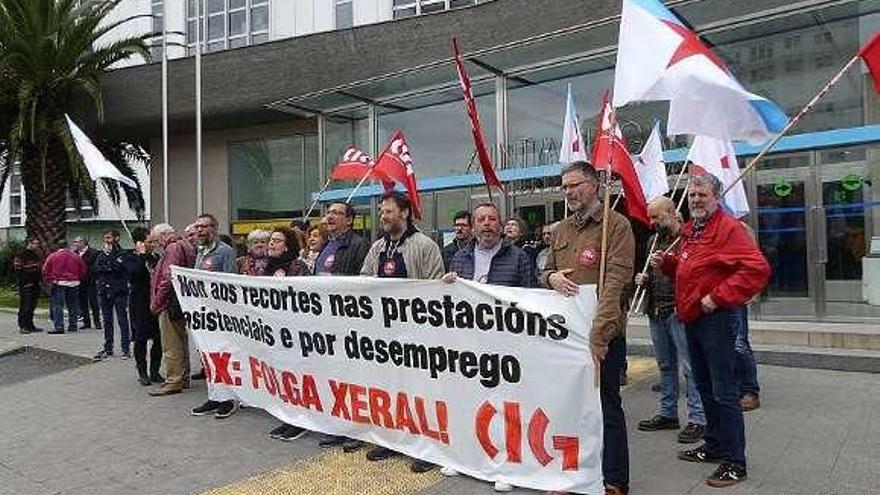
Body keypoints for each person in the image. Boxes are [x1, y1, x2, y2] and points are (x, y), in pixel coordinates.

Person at [651, 173, 770, 488]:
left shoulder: (728, 229)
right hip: (692, 319)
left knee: (723, 390)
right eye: (691, 195)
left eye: (702, 194)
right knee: (703, 385)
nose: (695, 200)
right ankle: (715, 445)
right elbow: (696, 270)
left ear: (717, 196)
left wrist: (717, 297)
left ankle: (735, 462)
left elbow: (756, 269)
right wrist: (669, 264)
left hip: (716, 321)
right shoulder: (692, 230)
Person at [541, 161, 634, 495]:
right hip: (568, 336)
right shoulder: (561, 229)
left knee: (606, 406)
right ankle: (573, 474)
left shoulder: (617, 226)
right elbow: (546, 271)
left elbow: (616, 284)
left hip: (602, 337)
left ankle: (614, 479)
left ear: (594, 185)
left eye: (575, 185)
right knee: (570, 406)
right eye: (564, 187)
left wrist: (601, 334)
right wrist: (550, 277)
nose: (569, 192)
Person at [440, 202, 534, 491]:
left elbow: (530, 300)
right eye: (481, 219)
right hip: (469, 346)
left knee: (505, 408)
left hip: (505, 347)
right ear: (474, 224)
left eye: (492, 219)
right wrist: (446, 285)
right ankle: (463, 457)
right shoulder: (459, 258)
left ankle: (506, 466)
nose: (487, 224)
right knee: (467, 402)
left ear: (501, 223)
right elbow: (450, 303)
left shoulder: (518, 257)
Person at [360, 192, 444, 473]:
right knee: (390, 390)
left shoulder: (425, 246)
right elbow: (364, 285)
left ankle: (427, 447)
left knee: (421, 394)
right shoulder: (377, 248)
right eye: (382, 212)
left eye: (388, 211)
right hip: (385, 337)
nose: (383, 216)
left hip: (417, 337)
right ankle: (391, 440)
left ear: (405, 213)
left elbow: (435, 292)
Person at [635, 197, 706, 444]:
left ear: (672, 213)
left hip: (679, 310)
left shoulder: (688, 239)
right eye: (650, 218)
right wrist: (644, 279)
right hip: (656, 309)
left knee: (690, 367)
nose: (652, 222)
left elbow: (694, 275)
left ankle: (698, 419)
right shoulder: (652, 241)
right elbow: (652, 274)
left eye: (657, 217)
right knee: (665, 365)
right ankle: (668, 413)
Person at [313, 201, 371, 452]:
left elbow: (360, 285)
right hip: (325, 325)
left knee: (351, 379)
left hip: (347, 325)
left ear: (350, 220)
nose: (330, 217)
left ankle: (354, 430)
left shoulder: (358, 245)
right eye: (329, 213)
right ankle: (336, 426)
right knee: (332, 378)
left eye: (337, 213)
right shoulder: (327, 245)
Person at [189, 213, 240, 419]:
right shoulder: (200, 251)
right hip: (203, 314)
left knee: (223, 356)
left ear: (214, 228)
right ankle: (214, 395)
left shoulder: (225, 251)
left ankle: (228, 398)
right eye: (197, 226)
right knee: (208, 357)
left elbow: (230, 280)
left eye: (204, 226)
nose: (200, 230)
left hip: (220, 314)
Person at [263, 226, 312, 442]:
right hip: (274, 330)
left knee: (297, 375)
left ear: (288, 246)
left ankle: (300, 420)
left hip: (295, 331)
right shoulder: (267, 267)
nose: (271, 243)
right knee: (282, 374)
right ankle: (288, 416)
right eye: (271, 240)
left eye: (277, 240)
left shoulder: (297, 266)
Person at [148, 223, 196, 397]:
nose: (156, 244)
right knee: (180, 339)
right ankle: (183, 376)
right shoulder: (184, 245)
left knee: (171, 343)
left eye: (156, 240)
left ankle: (174, 380)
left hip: (170, 302)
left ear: (163, 236)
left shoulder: (173, 248)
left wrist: (157, 301)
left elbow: (168, 277)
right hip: (179, 300)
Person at [121, 227, 163, 386]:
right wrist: (142, 255)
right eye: (149, 241)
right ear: (140, 242)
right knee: (141, 338)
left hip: (155, 302)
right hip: (139, 302)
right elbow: (135, 273)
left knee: (158, 338)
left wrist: (147, 255)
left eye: (153, 241)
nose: (153, 244)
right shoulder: (128, 257)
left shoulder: (156, 257)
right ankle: (142, 372)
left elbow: (158, 272)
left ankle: (155, 371)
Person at [93, 230, 132, 360]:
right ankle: (108, 347)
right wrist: (107, 265)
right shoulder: (101, 254)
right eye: (105, 238)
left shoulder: (123, 253)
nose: (106, 241)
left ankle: (125, 348)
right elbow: (97, 269)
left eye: (109, 238)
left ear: (116, 238)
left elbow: (119, 268)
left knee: (122, 320)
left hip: (118, 290)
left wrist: (109, 261)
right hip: (104, 290)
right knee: (107, 320)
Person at [42, 240, 87, 335]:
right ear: (68, 246)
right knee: (73, 305)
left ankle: (59, 327)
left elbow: (45, 269)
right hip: (74, 283)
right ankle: (73, 325)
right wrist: (78, 278)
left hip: (59, 282)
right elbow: (83, 270)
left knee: (58, 305)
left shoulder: (53, 256)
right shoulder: (76, 256)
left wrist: (49, 280)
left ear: (57, 246)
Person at [14, 237, 43, 334]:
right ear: (29, 243)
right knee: (25, 306)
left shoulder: (35, 254)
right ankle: (23, 326)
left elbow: (38, 268)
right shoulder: (22, 254)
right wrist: (25, 282)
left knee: (32, 306)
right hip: (26, 284)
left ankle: (30, 325)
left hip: (36, 284)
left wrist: (40, 281)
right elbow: (18, 270)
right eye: (35, 243)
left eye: (37, 244)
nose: (37, 245)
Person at [73, 237, 101, 330]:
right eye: (75, 242)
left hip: (91, 280)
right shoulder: (75, 253)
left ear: (83, 242)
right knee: (82, 302)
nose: (75, 244)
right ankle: (86, 322)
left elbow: (95, 266)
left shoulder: (94, 252)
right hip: (79, 281)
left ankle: (97, 322)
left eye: (77, 242)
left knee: (93, 302)